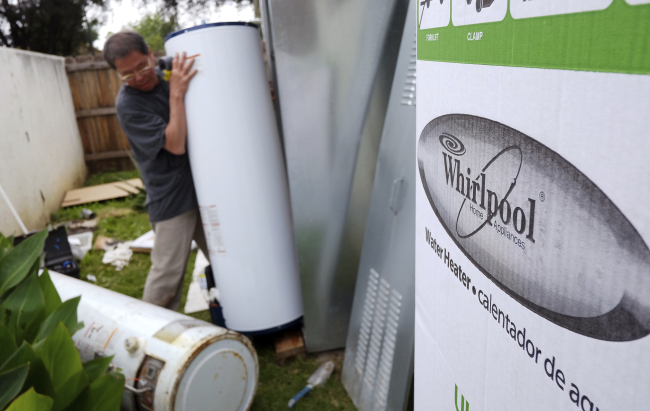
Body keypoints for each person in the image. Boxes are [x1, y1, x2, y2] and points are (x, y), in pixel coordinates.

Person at [103, 31, 209, 311]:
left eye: (142, 66)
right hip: (172, 195)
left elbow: (210, 66)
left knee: (228, 257)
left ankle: (250, 311)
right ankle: (150, 342)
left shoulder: (168, 69)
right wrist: (175, 94)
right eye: (127, 74)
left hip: (208, 184)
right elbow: (174, 144)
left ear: (151, 53)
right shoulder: (129, 105)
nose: (138, 77)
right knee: (167, 277)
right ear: (117, 74)